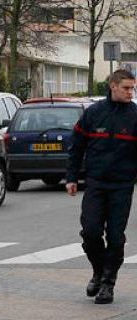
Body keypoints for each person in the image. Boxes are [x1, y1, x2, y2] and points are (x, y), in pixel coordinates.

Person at [66, 69, 137, 304]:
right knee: (90, 232)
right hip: (95, 183)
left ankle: (108, 283)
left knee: (116, 238)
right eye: (126, 88)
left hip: (122, 185)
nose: (131, 92)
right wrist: (71, 177)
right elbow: (76, 147)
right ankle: (98, 270)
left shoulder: (135, 116)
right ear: (113, 86)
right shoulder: (93, 114)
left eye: (132, 88)